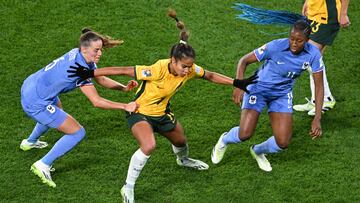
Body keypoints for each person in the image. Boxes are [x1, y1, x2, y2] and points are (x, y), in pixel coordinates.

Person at [71, 10, 257, 203]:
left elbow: (209, 75)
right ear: (173, 61)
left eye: (189, 66)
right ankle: (128, 187)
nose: (187, 71)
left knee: (181, 141)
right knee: (149, 145)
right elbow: (124, 70)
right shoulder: (157, 69)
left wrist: (237, 82)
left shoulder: (190, 69)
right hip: (139, 112)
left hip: (162, 113)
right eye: (184, 66)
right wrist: (90, 73)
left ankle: (183, 160)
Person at [20, 28, 139, 188]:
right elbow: (96, 101)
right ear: (84, 48)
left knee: (56, 109)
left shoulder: (78, 54)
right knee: (77, 132)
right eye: (96, 50)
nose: (100, 54)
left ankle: (30, 142)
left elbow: (100, 78)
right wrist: (125, 106)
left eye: (101, 50)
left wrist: (123, 88)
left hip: (33, 85)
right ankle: (42, 165)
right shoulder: (78, 70)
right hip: (36, 101)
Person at [211, 20, 324, 172]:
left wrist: (317, 118)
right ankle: (224, 139)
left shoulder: (313, 54)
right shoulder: (275, 46)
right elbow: (244, 61)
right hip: (258, 89)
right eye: (292, 38)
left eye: (299, 41)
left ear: (307, 40)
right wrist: (239, 84)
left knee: (283, 142)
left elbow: (319, 86)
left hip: (282, 95)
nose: (294, 43)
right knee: (244, 134)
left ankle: (257, 151)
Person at [293, 0, 350, 116]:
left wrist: (343, 14)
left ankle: (325, 99)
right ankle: (317, 100)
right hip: (315, 14)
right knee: (314, 59)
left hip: (327, 17)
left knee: (309, 57)